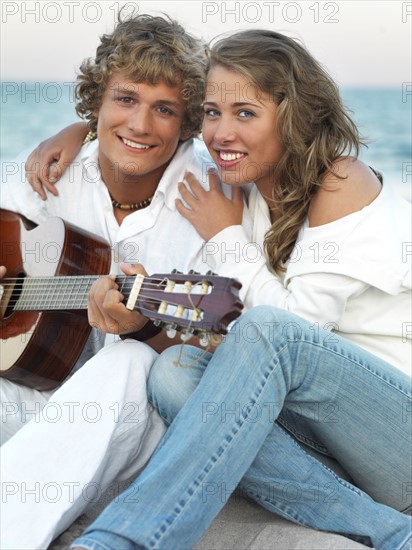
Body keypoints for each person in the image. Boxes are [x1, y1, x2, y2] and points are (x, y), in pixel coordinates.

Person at [59, 29, 409, 550]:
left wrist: (224, 237)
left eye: (245, 113)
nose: (221, 132)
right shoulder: (243, 192)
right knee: (174, 373)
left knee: (272, 333)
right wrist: (78, 133)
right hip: (334, 451)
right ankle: (388, 532)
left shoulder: (339, 181)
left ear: (293, 115)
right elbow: (143, 148)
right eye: (211, 113)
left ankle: (122, 541)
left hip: (395, 437)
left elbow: (297, 332)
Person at [0, 12, 246, 550]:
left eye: (165, 109)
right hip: (38, 402)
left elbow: (221, 345)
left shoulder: (210, 197)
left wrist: (141, 330)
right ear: (97, 104)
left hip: (127, 433)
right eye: (126, 99)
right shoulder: (49, 171)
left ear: (186, 124)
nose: (140, 125)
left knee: (129, 362)